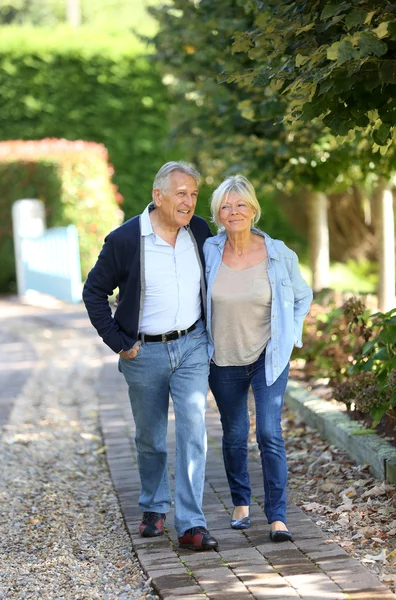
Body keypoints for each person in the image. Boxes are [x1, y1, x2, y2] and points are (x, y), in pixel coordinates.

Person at [83, 161, 219, 552]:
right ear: (158, 196)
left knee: (194, 430)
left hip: (192, 344)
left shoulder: (198, 231)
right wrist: (118, 342)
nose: (189, 202)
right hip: (143, 352)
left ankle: (191, 523)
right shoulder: (125, 240)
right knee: (151, 438)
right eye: (181, 194)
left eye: (194, 194)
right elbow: (93, 293)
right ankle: (154, 506)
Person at [204, 175, 312, 542]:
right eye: (226, 206)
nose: (234, 212)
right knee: (234, 434)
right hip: (222, 358)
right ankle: (240, 503)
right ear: (218, 213)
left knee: (268, 432)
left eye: (241, 205)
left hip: (268, 355)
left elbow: (302, 296)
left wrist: (290, 334)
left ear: (253, 209)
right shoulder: (208, 251)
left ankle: (277, 516)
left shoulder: (278, 252)